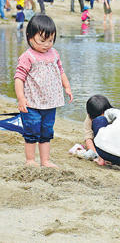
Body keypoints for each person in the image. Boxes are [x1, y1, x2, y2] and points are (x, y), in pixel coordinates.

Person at [14, 14, 73, 168]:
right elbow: (19, 78)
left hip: (50, 103)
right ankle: (30, 160)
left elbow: (61, 71)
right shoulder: (28, 57)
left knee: (46, 132)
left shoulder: (54, 53)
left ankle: (45, 160)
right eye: (42, 40)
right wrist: (21, 98)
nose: (47, 44)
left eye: (51, 40)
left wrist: (66, 86)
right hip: (32, 102)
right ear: (29, 37)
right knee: (32, 132)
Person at [78, 95, 113, 160]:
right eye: (99, 115)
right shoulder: (89, 118)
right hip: (98, 142)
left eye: (104, 113)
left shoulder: (115, 116)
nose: (103, 116)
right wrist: (95, 154)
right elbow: (88, 137)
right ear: (91, 114)